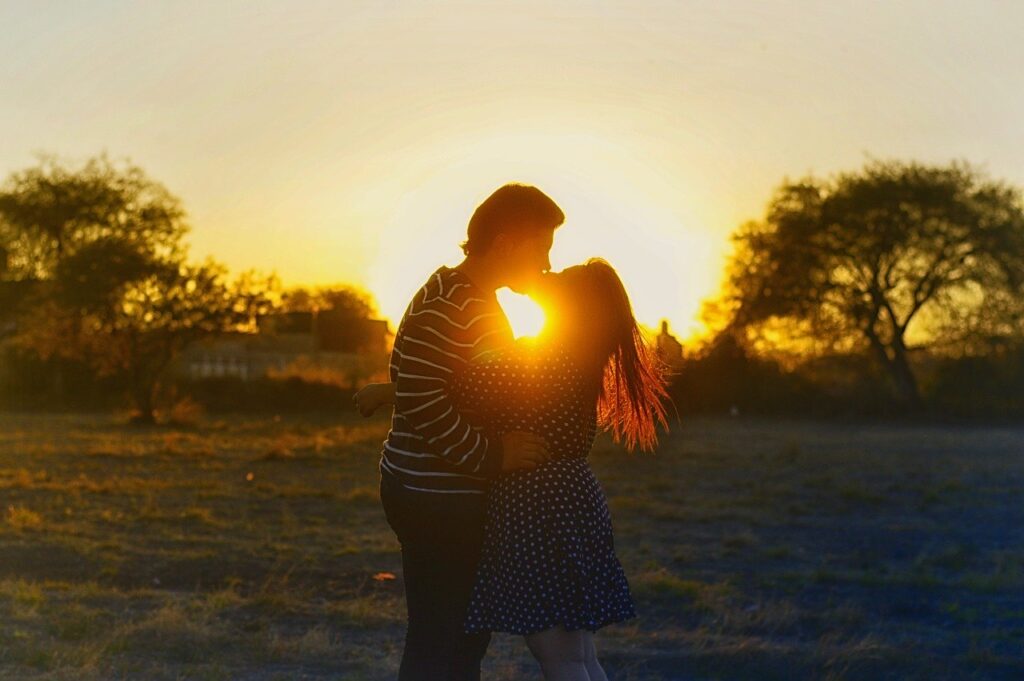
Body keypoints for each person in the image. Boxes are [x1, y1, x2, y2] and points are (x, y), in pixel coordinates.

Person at [359, 259, 670, 681]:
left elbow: (457, 384)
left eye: (558, 279)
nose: (545, 274)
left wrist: (386, 391)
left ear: (571, 305)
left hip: (539, 511)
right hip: (572, 502)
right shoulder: (575, 357)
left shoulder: (543, 358)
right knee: (579, 655)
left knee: (560, 657)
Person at [363, 183, 565, 681]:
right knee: (443, 636)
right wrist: (492, 456)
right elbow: (424, 399)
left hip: (433, 489)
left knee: (460, 635)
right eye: (541, 248)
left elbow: (449, 380)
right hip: (437, 495)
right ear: (506, 242)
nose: (546, 264)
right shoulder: (453, 301)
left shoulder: (463, 295)